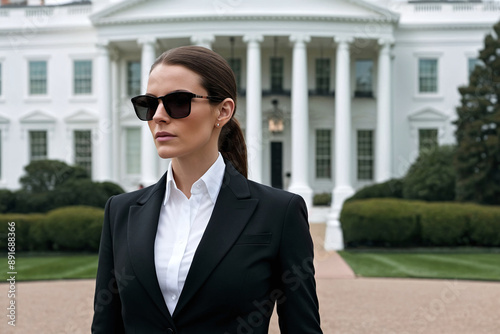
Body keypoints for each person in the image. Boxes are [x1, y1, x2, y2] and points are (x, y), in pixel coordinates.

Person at [91, 45, 322, 334]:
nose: (159, 116)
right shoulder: (120, 211)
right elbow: (105, 327)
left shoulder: (279, 212)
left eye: (177, 102)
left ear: (222, 111)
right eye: (149, 104)